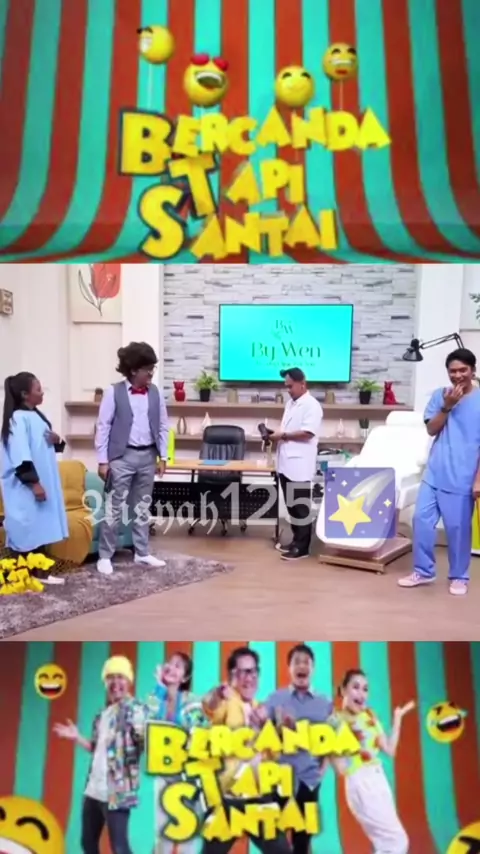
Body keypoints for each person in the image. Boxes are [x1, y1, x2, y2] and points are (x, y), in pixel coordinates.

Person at [398, 347, 480, 596]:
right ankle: (424, 571)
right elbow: (431, 429)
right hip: (434, 472)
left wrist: (478, 480)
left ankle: (459, 576)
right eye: (453, 371)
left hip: (463, 476)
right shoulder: (439, 396)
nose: (457, 375)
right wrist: (447, 406)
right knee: (421, 520)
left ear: (473, 370)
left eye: (463, 370)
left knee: (458, 529)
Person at [201, 646, 291, 854]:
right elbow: (209, 707)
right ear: (232, 676)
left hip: (258, 799)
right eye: (242, 672)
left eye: (253, 671)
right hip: (227, 800)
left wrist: (271, 728)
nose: (249, 678)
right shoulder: (227, 702)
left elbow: (275, 755)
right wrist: (217, 693)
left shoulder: (262, 709)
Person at [54, 655, 147, 854]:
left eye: (120, 677)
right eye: (110, 677)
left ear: (129, 681)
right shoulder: (102, 714)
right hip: (93, 789)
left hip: (118, 791)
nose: (115, 682)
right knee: (87, 843)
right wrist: (77, 737)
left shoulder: (135, 709)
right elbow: (97, 748)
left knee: (119, 847)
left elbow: (143, 738)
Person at [94, 342, 170, 575]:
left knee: (143, 506)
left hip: (148, 455)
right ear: (134, 370)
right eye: (148, 368)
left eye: (153, 368)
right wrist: (103, 460)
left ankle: (142, 552)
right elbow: (103, 426)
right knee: (114, 508)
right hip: (121, 456)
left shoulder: (156, 393)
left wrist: (163, 456)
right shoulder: (113, 392)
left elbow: (163, 425)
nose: (151, 373)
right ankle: (105, 555)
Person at [331, 669, 413, 854]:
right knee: (397, 841)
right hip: (361, 782)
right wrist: (331, 748)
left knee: (386, 845)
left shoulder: (370, 714)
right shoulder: (335, 721)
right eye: (356, 687)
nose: (361, 693)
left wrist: (397, 718)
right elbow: (341, 769)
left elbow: (390, 750)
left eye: (365, 689)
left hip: (379, 780)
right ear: (343, 690)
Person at [262, 644, 333, 854]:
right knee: (273, 837)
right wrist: (280, 729)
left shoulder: (325, 702)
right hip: (279, 778)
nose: (302, 666)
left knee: (302, 840)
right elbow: (261, 736)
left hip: (309, 781)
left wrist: (322, 771)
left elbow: (331, 741)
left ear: (313, 668)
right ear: (289, 668)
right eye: (296, 662)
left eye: (306, 662)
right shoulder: (275, 699)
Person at [0, 372, 67, 584]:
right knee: (25, 529)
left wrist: (57, 441)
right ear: (24, 394)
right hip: (24, 485)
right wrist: (34, 483)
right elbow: (20, 455)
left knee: (38, 528)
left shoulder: (37, 416)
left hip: (39, 481)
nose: (42, 392)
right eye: (38, 389)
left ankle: (40, 572)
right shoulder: (17, 419)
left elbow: (41, 447)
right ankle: (19, 575)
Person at [146, 651, 207, 854]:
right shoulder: (156, 697)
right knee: (162, 835)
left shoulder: (192, 701)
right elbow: (143, 724)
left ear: (185, 677)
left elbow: (200, 732)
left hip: (190, 778)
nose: (171, 668)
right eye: (169, 663)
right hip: (164, 776)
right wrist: (159, 688)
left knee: (188, 839)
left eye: (178, 666)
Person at [269, 368, 323, 561]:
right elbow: (287, 429)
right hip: (286, 464)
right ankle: (296, 541)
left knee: (300, 507)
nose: (288, 390)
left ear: (302, 384)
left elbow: (308, 433)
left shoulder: (312, 405)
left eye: (291, 386)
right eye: (286, 386)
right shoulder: (290, 404)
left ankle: (302, 548)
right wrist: (275, 434)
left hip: (299, 465)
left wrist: (282, 435)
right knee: (291, 506)